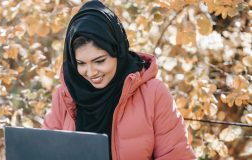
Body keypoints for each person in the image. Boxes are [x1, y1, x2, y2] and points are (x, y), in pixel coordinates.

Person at [42, 1, 196, 160]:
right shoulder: (65, 96)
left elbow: (177, 156)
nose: (91, 72)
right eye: (81, 63)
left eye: (100, 61)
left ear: (118, 51)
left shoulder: (154, 94)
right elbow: (44, 152)